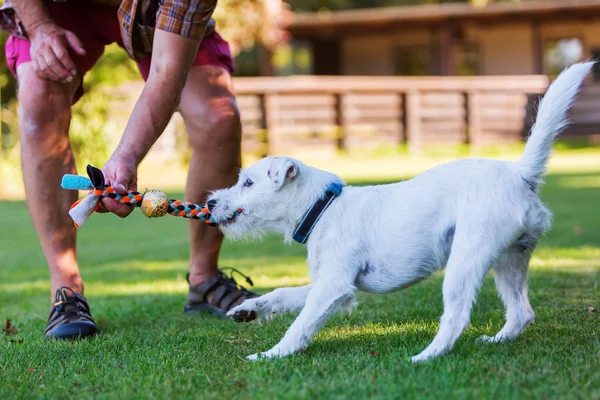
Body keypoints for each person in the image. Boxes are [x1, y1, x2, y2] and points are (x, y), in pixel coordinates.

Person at [1, 0, 257, 339]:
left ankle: (204, 279)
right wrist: (39, 28)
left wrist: (126, 158)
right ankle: (66, 289)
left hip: (152, 13)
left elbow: (168, 70)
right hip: (53, 7)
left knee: (218, 117)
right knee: (37, 98)